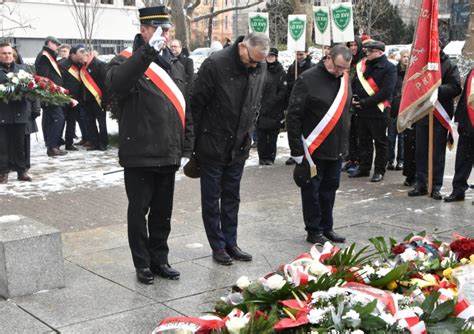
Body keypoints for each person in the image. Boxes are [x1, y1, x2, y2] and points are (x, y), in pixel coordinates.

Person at [105, 5, 194, 284]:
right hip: (140, 152)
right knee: (138, 211)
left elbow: (184, 105)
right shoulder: (123, 61)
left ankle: (160, 259)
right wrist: (147, 53)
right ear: (143, 30)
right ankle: (142, 263)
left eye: (166, 30)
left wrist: (186, 146)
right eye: (158, 29)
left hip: (168, 151)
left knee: (162, 213)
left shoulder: (174, 62)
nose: (164, 35)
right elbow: (117, 86)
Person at [191, 32, 269, 265]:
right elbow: (196, 104)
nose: (255, 65)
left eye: (259, 62)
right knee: (212, 199)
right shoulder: (215, 64)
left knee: (232, 197)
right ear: (243, 47)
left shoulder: (259, 66)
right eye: (252, 60)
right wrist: (192, 144)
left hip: (240, 145)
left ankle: (231, 242)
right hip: (212, 143)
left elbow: (255, 101)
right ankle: (217, 246)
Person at [287, 45, 352, 245]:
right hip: (313, 149)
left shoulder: (345, 80)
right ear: (328, 58)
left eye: (344, 69)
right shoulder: (307, 79)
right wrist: (297, 151)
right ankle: (313, 230)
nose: (340, 72)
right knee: (312, 191)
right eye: (338, 67)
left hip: (336, 147)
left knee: (329, 189)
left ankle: (327, 227)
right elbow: (294, 116)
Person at [408, 49, 461, 199]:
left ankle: (435, 186)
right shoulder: (420, 65)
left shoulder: (449, 65)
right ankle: (421, 184)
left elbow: (456, 87)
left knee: (437, 153)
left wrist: (436, 90)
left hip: (440, 114)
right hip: (422, 113)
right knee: (420, 151)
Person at [349, 40, 397, 182]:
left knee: (380, 142)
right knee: (363, 141)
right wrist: (353, 98)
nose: (367, 53)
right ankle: (364, 167)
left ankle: (379, 170)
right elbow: (354, 84)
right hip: (361, 110)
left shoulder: (389, 68)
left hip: (378, 111)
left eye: (370, 51)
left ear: (380, 52)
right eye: (367, 51)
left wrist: (365, 102)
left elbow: (386, 91)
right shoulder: (362, 66)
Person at [0, 42, 33, 183]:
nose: (7, 56)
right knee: (2, 145)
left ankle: (21, 171)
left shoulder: (23, 69)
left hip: (20, 113)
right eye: (4, 53)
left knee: (20, 145)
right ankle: (3, 172)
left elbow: (33, 89)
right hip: (2, 113)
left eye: (9, 53)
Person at [35, 36, 67, 156]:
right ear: (48, 43)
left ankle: (52, 145)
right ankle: (52, 146)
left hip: (52, 93)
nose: (57, 47)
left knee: (50, 119)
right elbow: (44, 76)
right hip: (50, 93)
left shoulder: (48, 55)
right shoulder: (45, 56)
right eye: (55, 44)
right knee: (58, 118)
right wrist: (51, 91)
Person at [444, 68, 473, 202]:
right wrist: (459, 118)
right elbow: (465, 97)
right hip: (467, 123)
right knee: (462, 160)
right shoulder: (472, 71)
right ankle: (458, 190)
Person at [256, 47, 287, 165]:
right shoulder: (261, 70)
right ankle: (262, 157)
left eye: (272, 56)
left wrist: (274, 100)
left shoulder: (281, 72)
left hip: (275, 109)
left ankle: (270, 157)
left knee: (272, 137)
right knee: (261, 136)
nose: (270, 58)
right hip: (261, 108)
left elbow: (283, 90)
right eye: (268, 56)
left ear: (276, 57)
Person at [285, 49, 315, 165]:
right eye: (297, 54)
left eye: (301, 54)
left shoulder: (311, 67)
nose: (299, 57)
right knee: (294, 129)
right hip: (294, 101)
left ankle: (306, 152)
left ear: (306, 54)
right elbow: (288, 83)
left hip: (306, 102)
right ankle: (295, 152)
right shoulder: (292, 67)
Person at [79, 46, 109, 151]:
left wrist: (105, 100)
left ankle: (103, 143)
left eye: (81, 58)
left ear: (87, 55)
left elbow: (105, 84)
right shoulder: (83, 68)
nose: (80, 61)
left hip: (98, 100)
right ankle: (95, 143)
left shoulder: (100, 65)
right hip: (87, 101)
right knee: (90, 123)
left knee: (102, 123)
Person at [343, 37, 365, 174]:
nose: (353, 48)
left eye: (355, 45)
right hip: (347, 101)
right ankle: (351, 158)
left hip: (358, 101)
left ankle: (359, 160)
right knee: (349, 134)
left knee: (359, 134)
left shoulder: (362, 62)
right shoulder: (347, 61)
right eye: (350, 45)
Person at [59, 44, 86, 151]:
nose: (83, 55)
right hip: (63, 97)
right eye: (80, 52)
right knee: (60, 122)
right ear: (73, 54)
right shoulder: (62, 65)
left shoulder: (80, 65)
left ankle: (69, 143)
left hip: (76, 99)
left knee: (72, 122)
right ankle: (56, 142)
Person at [387, 49, 409, 172]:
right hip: (393, 109)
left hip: (404, 110)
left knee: (402, 138)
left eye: (407, 56)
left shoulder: (411, 73)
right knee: (391, 137)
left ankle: (401, 161)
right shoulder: (394, 73)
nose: (406, 59)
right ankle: (390, 160)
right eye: (404, 56)